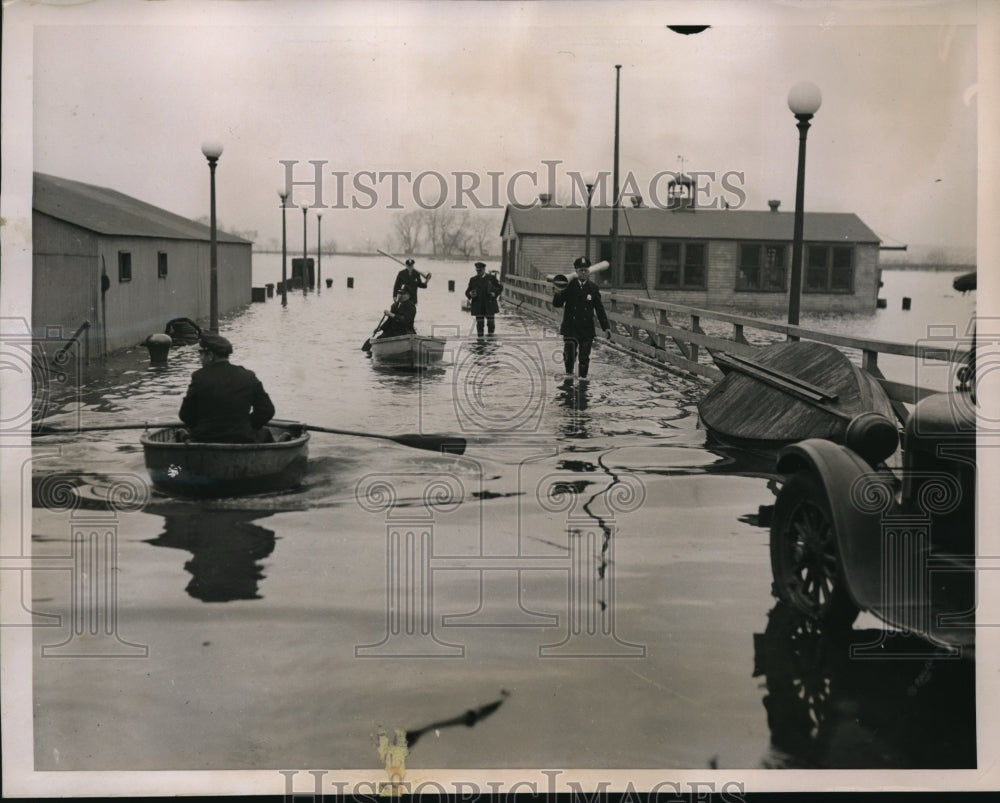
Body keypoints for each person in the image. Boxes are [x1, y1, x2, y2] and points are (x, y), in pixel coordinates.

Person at [179, 333, 276, 443]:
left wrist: (202, 428)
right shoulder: (248, 376)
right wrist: (247, 427)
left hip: (205, 438)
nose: (199, 358)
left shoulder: (199, 377)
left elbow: (185, 415)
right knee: (265, 432)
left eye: (201, 354)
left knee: (181, 434)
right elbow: (267, 411)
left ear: (210, 355)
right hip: (242, 438)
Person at [552, 256, 611, 379]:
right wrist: (557, 292)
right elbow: (557, 304)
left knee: (584, 358)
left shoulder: (593, 288)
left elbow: (599, 309)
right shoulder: (568, 286)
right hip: (570, 328)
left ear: (589, 271)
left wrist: (606, 327)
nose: (583, 273)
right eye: (580, 270)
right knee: (569, 356)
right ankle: (568, 378)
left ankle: (583, 382)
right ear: (576, 271)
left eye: (586, 270)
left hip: (586, 329)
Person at [465, 261, 503, 337]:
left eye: (480, 270)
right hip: (478, 306)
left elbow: (500, 287)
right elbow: (467, 292)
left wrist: (495, 293)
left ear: (484, 269)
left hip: (489, 305)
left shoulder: (491, 278)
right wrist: (470, 294)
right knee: (479, 326)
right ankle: (480, 344)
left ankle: (490, 342)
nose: (479, 272)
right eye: (477, 271)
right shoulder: (473, 279)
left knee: (491, 325)